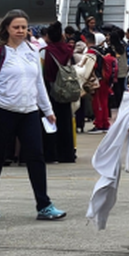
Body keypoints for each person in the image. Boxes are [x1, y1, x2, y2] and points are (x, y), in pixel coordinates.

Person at [0, 10, 65, 221]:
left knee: (36, 156)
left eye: (24, 27)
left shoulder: (31, 51)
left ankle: (44, 204)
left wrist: (48, 110)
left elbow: (38, 83)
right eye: (16, 27)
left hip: (29, 111)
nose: (20, 31)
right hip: (2, 110)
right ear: (7, 28)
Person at [42, 22, 78, 164]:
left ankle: (51, 153)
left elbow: (41, 71)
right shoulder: (68, 50)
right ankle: (67, 154)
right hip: (66, 88)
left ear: (48, 37)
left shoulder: (45, 51)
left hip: (49, 89)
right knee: (66, 121)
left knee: (49, 121)